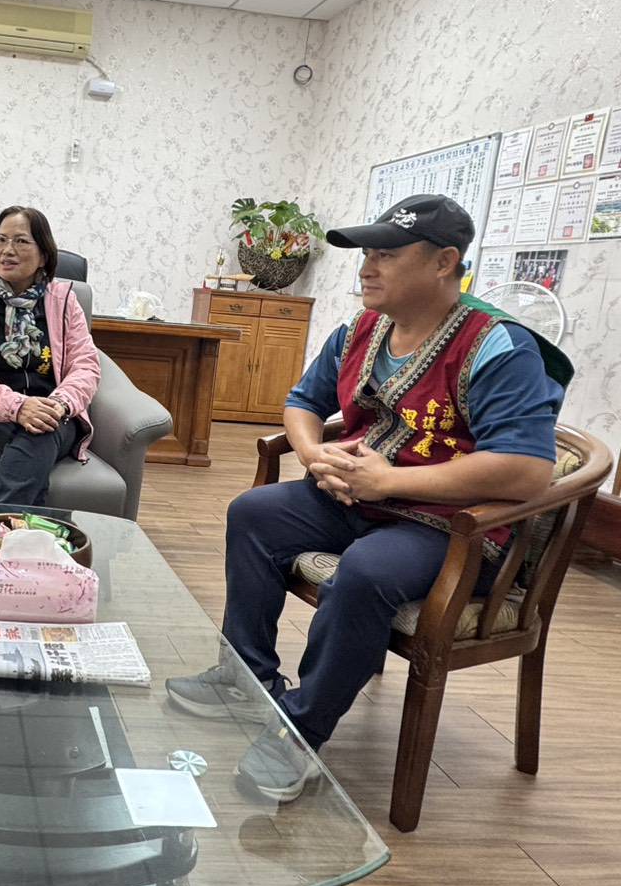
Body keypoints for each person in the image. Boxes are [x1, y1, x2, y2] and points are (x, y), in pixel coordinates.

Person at [166, 195, 565, 802]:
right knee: (254, 513)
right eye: (367, 254)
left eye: (387, 255)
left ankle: (301, 731)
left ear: (444, 262)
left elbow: (529, 470)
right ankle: (245, 676)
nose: (367, 268)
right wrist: (313, 455)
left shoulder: (498, 346)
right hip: (356, 499)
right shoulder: (360, 330)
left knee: (366, 572)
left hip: (448, 528)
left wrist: (390, 482)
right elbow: (303, 402)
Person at [0, 206, 101, 507]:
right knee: (23, 466)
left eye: (21, 241)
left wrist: (59, 404)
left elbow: (86, 366)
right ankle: (29, 535)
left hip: (54, 413)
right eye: (0, 240)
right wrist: (18, 407)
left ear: (44, 255)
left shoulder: (64, 301)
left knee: (39, 435)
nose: (7, 250)